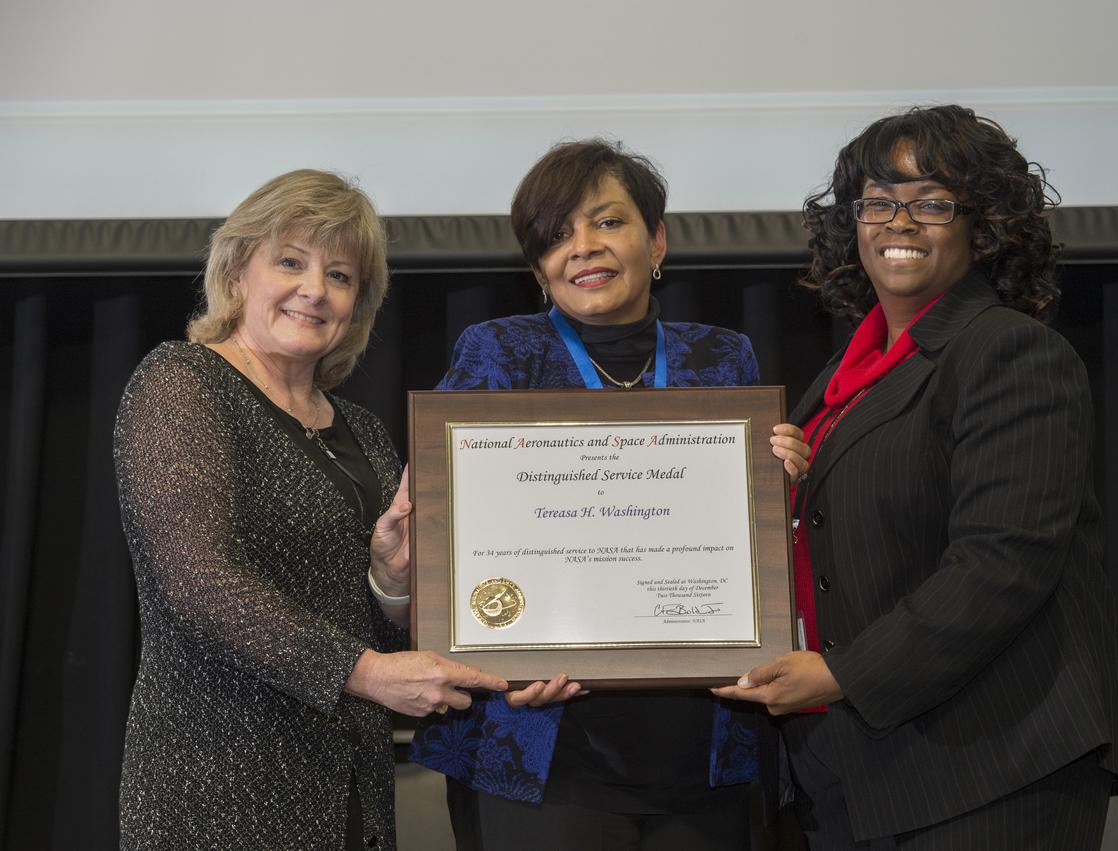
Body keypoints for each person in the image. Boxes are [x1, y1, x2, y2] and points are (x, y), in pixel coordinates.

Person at [713, 106, 1118, 849]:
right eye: (877, 202)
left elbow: (1001, 565)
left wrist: (841, 673)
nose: (897, 222)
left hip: (989, 764)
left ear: (985, 223)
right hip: (860, 771)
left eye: (930, 202)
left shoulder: (1009, 353)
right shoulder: (844, 380)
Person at [413, 140, 810, 850]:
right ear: (536, 266)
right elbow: (448, 535)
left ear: (655, 239)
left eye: (607, 222)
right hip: (542, 751)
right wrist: (499, 654)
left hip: (700, 750)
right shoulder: (497, 353)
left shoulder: (722, 357)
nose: (583, 247)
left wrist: (783, 486)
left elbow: (750, 540)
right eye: (557, 234)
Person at [113, 169, 509, 850]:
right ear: (238, 272)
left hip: (350, 782)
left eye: (341, 275)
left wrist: (389, 581)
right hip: (216, 780)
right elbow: (196, 580)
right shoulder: (181, 382)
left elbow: (386, 633)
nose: (314, 290)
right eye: (290, 262)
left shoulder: (363, 431)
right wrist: (366, 672)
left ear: (358, 304)